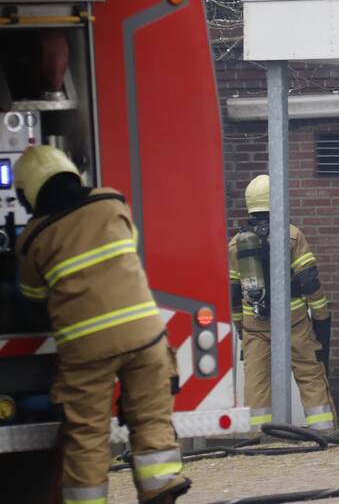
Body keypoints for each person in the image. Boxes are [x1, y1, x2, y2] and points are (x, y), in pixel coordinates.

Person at [14, 145, 189, 504]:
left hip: (86, 349)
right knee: (151, 417)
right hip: (146, 338)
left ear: (28, 193)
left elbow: (32, 296)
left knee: (87, 434)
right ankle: (160, 488)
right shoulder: (111, 203)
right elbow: (129, 247)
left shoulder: (33, 238)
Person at [227, 174, 335, 431]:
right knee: (309, 373)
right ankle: (324, 430)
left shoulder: (235, 244)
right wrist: (321, 317)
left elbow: (233, 293)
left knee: (256, 381)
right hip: (293, 320)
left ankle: (257, 436)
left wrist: (241, 328)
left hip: (254, 324)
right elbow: (309, 281)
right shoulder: (292, 235)